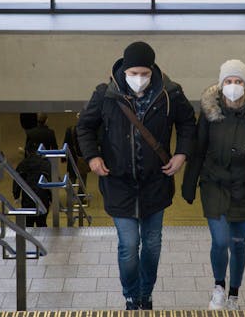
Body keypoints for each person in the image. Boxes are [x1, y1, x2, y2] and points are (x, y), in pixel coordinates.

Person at [76, 41, 196, 310]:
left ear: (152, 70)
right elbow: (84, 127)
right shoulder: (106, 94)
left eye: (144, 73)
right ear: (124, 70)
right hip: (119, 184)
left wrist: (181, 154)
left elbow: (188, 123)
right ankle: (131, 294)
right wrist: (92, 156)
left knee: (152, 246)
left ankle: (145, 294)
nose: (139, 79)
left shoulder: (170, 93)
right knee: (129, 246)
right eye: (134, 73)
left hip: (156, 183)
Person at [182, 59, 245, 310]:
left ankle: (234, 294)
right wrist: (189, 183)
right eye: (228, 81)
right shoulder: (210, 113)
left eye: (238, 81)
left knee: (238, 243)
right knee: (221, 241)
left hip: (244, 188)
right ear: (221, 84)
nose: (233, 86)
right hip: (214, 185)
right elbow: (199, 147)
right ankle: (218, 287)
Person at [13, 140, 52, 227]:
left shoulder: (23, 164)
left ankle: (28, 239)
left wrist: (16, 195)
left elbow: (17, 180)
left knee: (28, 223)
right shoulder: (46, 164)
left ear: (27, 151)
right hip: (43, 197)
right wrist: (51, 198)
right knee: (42, 222)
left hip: (28, 197)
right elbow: (50, 181)